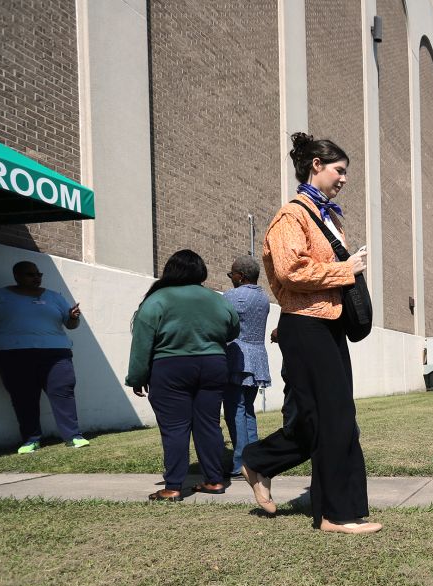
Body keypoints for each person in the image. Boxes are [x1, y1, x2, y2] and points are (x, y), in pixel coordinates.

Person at [239, 132, 380, 534]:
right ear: (315, 166)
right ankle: (335, 514)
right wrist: (346, 268)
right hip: (305, 325)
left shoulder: (327, 216)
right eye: (340, 169)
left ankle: (260, 462)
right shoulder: (292, 215)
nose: (345, 178)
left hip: (328, 325)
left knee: (325, 419)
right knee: (334, 419)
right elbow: (289, 270)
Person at [126, 250, 239, 501]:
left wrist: (137, 377)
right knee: (208, 424)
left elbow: (143, 341)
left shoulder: (157, 299)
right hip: (213, 364)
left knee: (175, 427)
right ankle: (214, 480)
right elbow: (232, 330)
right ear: (201, 272)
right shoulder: (217, 299)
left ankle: (174, 486)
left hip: (171, 367)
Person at [0, 261, 90, 453]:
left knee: (63, 391)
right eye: (30, 274)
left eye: (38, 274)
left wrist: (74, 317)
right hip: (12, 354)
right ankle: (31, 439)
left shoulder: (54, 297)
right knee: (23, 396)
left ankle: (74, 436)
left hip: (55, 352)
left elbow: (70, 325)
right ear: (16, 276)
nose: (36, 278)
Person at [222, 255, 271, 478]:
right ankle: (255, 461)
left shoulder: (232, 296)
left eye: (232, 274)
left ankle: (240, 464)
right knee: (247, 410)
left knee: (235, 410)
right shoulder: (263, 297)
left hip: (237, 357)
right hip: (258, 356)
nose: (231, 278)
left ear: (240, 276)